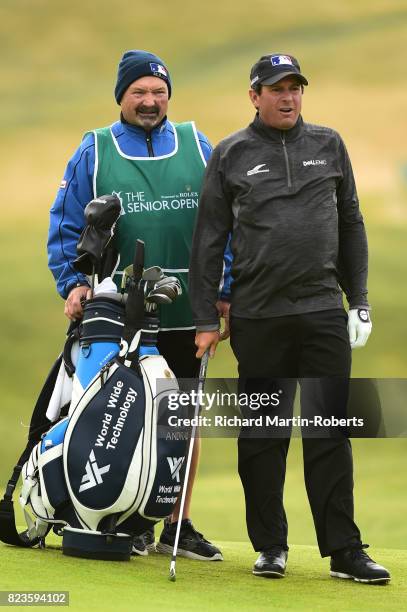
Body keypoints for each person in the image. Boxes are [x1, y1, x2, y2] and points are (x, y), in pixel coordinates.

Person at [189, 53, 390, 583]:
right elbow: (208, 239)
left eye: (295, 87)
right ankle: (270, 546)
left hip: (323, 309)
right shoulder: (231, 153)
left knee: (330, 431)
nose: (288, 97)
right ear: (254, 95)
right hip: (258, 316)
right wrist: (206, 316)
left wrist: (360, 298)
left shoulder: (329, 144)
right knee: (262, 435)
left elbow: (351, 221)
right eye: (276, 88)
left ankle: (345, 550)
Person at [47, 49, 229, 561]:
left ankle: (177, 523)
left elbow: (224, 224)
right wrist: (72, 283)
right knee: (118, 415)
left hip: (189, 308)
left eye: (158, 92)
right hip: (117, 310)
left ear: (169, 95)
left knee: (181, 416)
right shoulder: (96, 150)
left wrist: (225, 289)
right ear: (121, 98)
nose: (150, 102)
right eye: (139, 93)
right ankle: (128, 517)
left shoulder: (196, 144)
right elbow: (66, 224)